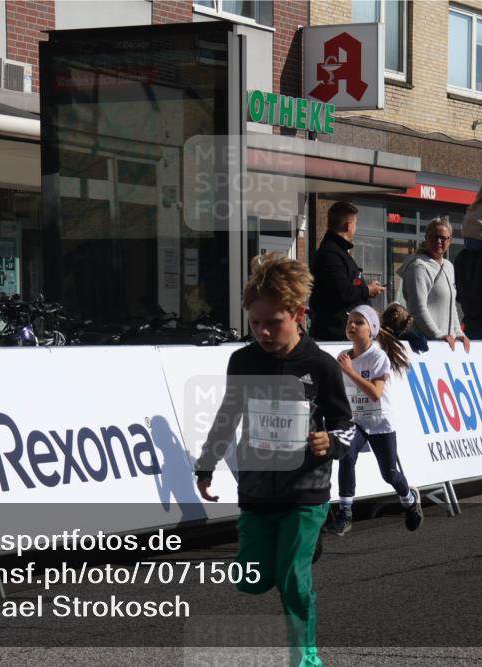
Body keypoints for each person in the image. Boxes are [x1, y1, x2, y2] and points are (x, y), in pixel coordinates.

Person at [195, 253, 356, 667]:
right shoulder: (243, 361)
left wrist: (330, 443)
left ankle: (305, 657)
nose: (263, 332)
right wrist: (206, 464)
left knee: (292, 579)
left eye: (273, 323)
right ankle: (298, 552)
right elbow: (228, 415)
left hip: (306, 490)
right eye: (255, 324)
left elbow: (347, 426)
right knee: (251, 580)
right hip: (256, 489)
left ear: (299, 314)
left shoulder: (319, 365)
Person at [323, 305, 422, 537]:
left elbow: (375, 393)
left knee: (389, 474)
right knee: (346, 455)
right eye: (350, 322)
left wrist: (349, 371)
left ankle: (408, 498)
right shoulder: (345, 358)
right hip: (356, 420)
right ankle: (345, 513)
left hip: (380, 421)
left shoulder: (378, 356)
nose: (352, 326)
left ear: (372, 330)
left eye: (359, 322)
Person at [309, 201, 383, 340]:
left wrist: (365, 288)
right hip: (335, 335)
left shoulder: (338, 252)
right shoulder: (330, 254)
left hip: (344, 333)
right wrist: (367, 290)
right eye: (355, 224)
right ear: (348, 225)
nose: (356, 228)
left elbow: (348, 285)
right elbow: (341, 292)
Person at [399, 218, 470, 351]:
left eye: (443, 238)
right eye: (434, 237)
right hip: (425, 346)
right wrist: (438, 335)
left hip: (446, 344)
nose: (438, 242)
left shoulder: (449, 266)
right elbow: (418, 309)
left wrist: (459, 333)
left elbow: (451, 306)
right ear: (426, 238)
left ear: (450, 240)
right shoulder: (418, 267)